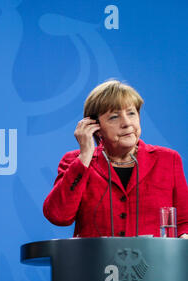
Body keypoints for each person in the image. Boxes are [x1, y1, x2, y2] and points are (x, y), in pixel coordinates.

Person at [43, 80, 188, 238]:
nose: (126, 123)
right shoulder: (75, 161)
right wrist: (85, 155)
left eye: (131, 113)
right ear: (95, 127)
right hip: (95, 261)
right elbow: (58, 216)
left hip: (154, 261)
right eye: (114, 117)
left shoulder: (167, 159)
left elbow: (184, 222)